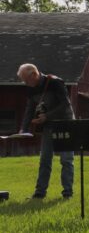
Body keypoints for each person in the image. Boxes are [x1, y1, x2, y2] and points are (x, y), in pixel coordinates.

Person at [18, 63, 76, 200]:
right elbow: (30, 109)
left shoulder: (56, 82)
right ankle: (39, 193)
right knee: (45, 160)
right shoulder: (30, 89)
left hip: (65, 123)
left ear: (34, 74)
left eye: (26, 80)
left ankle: (67, 193)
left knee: (66, 160)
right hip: (48, 126)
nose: (25, 83)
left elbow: (65, 105)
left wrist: (47, 116)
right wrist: (23, 128)